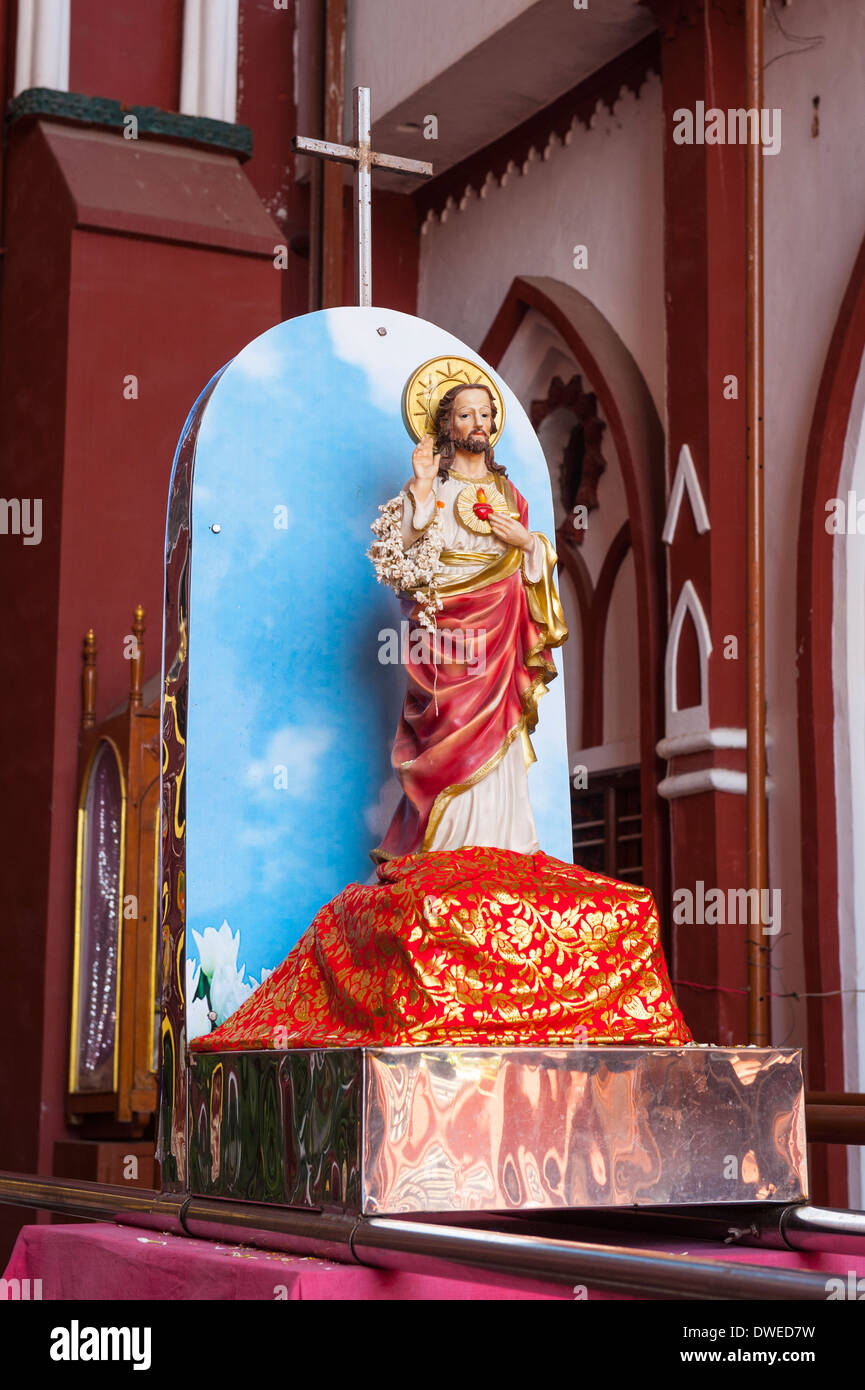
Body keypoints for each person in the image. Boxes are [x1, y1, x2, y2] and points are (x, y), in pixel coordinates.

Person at [372, 382, 567, 862]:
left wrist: (528, 542)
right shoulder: (431, 485)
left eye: (484, 414)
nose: (477, 423)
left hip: (501, 632)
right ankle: (447, 848)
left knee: (502, 728)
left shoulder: (508, 493)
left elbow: (533, 563)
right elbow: (406, 553)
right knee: (451, 724)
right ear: (447, 426)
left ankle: (504, 844)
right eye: (465, 415)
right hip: (449, 634)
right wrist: (419, 483)